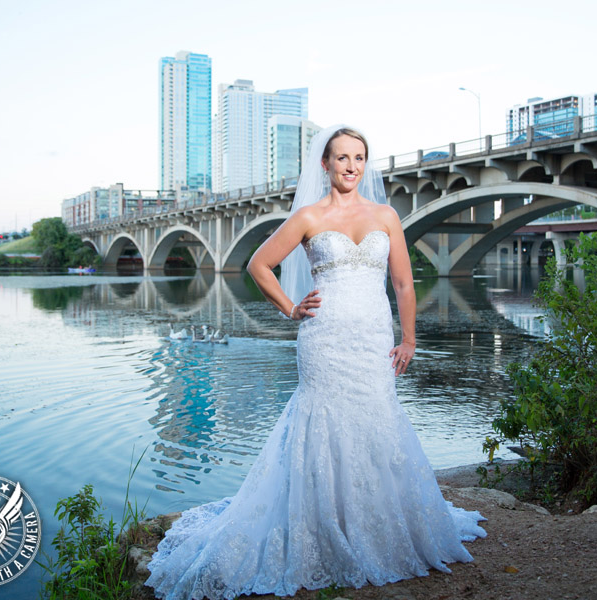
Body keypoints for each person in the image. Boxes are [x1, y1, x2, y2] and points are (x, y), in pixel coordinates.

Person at [145, 125, 486, 600]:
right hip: (323, 341)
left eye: (359, 157)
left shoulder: (386, 216)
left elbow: (404, 285)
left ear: (366, 165)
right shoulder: (308, 216)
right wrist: (290, 308)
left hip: (371, 338)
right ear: (324, 164)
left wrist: (409, 338)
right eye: (342, 157)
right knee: (323, 423)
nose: (351, 166)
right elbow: (258, 265)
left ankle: (376, 524)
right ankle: (321, 527)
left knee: (376, 421)